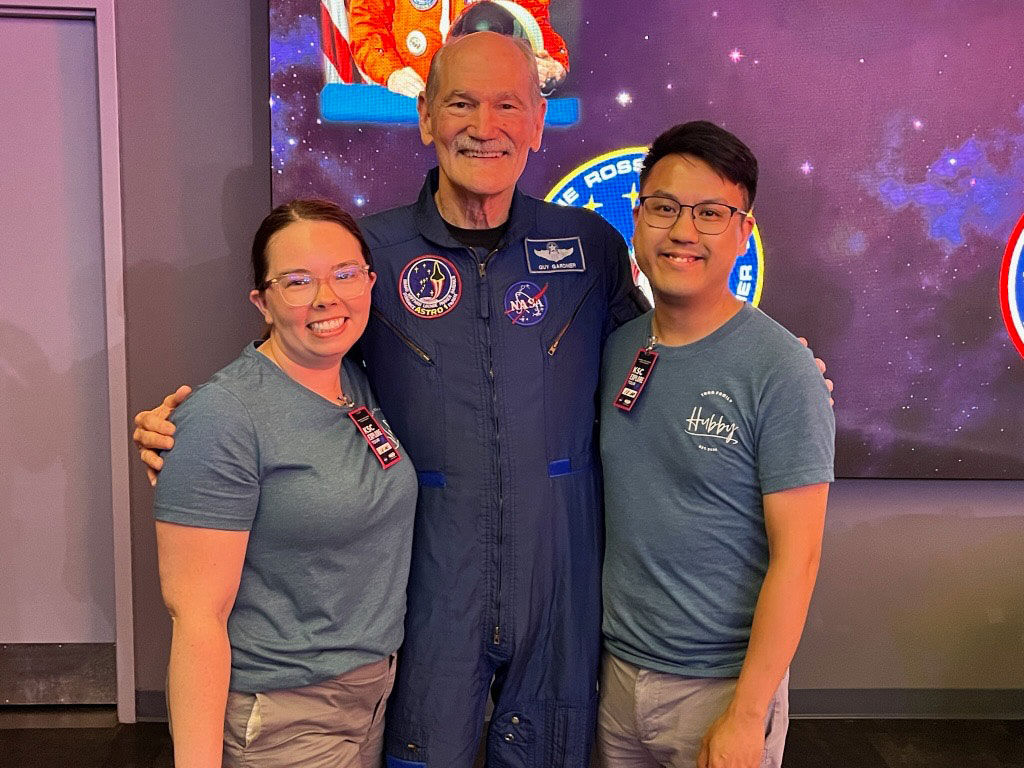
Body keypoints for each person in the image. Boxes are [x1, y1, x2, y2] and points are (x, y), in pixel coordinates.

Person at [135, 33, 830, 768]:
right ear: (426, 117)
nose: (484, 125)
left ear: (538, 122)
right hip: (429, 581)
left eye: (508, 106)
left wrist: (785, 369)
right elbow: (302, 358)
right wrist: (196, 428)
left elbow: (664, 351)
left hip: (559, 583)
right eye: (461, 103)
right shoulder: (374, 251)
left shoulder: (587, 245)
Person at [596, 122, 835, 768]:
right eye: (664, 208)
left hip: (721, 689)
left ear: (743, 232)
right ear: (638, 217)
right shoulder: (616, 348)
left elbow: (800, 557)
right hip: (617, 678)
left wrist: (748, 714)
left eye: (709, 213)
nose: (682, 231)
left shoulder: (779, 368)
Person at [153, 199, 417, 767]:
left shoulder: (355, 378)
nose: (327, 298)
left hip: (367, 699)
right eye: (297, 282)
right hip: (282, 718)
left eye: (345, 274)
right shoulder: (225, 416)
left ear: (370, 281)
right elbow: (196, 620)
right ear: (263, 302)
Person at [348, 0, 568, 97]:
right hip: (415, 101)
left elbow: (536, 24)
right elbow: (367, 29)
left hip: (487, 99)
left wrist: (553, 66)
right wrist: (392, 73)